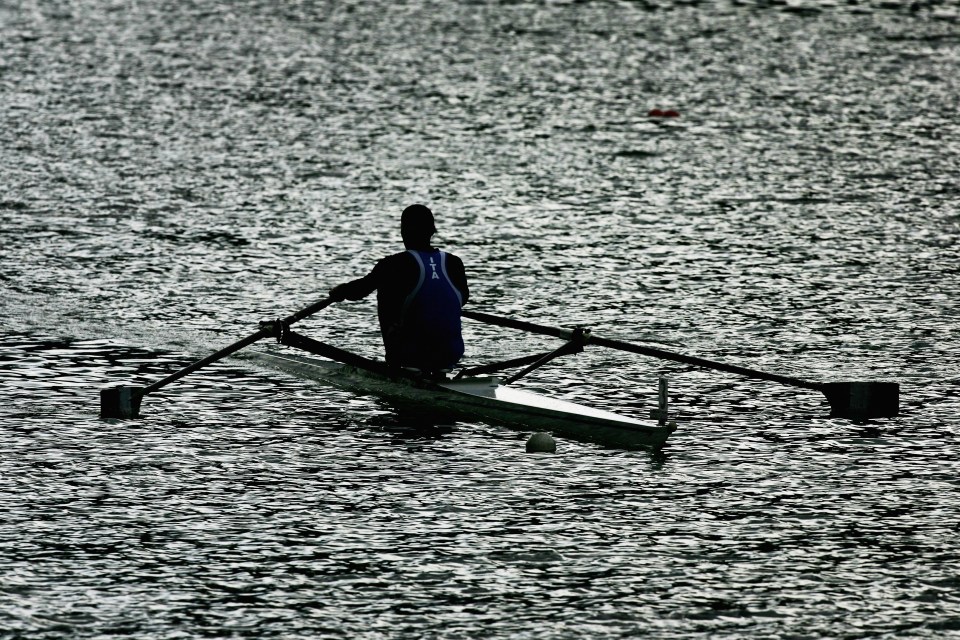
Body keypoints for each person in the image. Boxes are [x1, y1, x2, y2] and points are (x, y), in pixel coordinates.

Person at [328, 204, 469, 372]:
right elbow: (463, 300)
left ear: (404, 231)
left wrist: (340, 291)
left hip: (411, 354)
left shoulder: (393, 264)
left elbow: (359, 291)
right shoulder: (454, 263)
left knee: (386, 289)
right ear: (432, 231)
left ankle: (395, 363)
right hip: (451, 354)